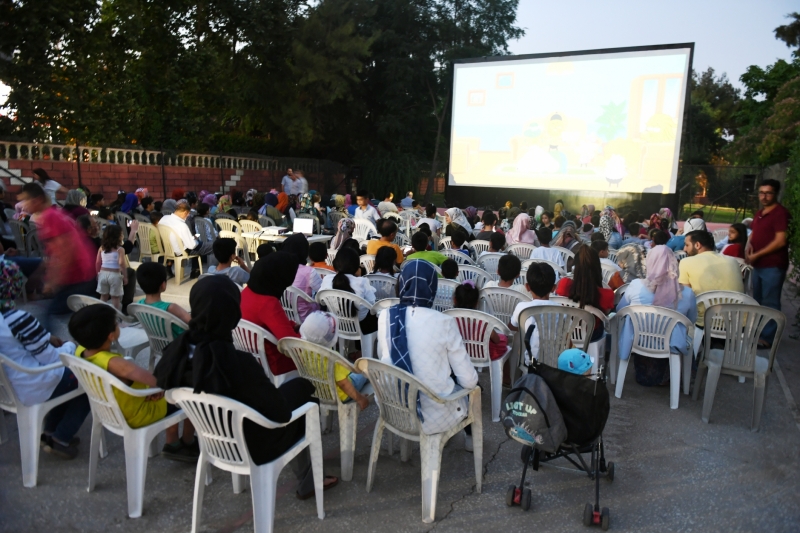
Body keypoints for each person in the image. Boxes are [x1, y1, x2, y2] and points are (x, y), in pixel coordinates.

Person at [154, 276, 339, 496]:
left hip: (214, 440)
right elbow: (279, 414)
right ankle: (311, 479)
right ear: (233, 313)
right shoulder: (237, 363)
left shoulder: (177, 353)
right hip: (253, 444)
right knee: (305, 393)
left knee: (298, 388)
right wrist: (303, 388)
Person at [69, 305, 198, 461]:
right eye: (116, 323)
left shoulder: (81, 350)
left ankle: (175, 441)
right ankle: (179, 442)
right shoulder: (115, 363)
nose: (118, 325)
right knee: (188, 392)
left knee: (166, 389)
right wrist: (157, 388)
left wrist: (155, 388)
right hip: (137, 414)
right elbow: (157, 381)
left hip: (112, 409)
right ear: (111, 335)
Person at [377, 260, 478, 446]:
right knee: (470, 388)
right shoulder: (444, 322)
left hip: (393, 408)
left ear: (402, 284)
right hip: (433, 417)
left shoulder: (385, 316)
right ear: (432, 287)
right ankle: (471, 443)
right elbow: (469, 381)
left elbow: (385, 358)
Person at [0, 260, 89, 459]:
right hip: (31, 386)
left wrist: (46, 337)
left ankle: (50, 431)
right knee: (87, 380)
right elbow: (52, 358)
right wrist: (71, 345)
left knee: (66, 380)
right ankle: (61, 437)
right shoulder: (17, 318)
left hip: (7, 390)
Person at [617, 245, 697, 386]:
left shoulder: (635, 286)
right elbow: (691, 320)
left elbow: (621, 310)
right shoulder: (687, 293)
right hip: (671, 345)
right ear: (674, 263)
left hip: (638, 341)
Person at [17, 183, 96, 319]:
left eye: (25, 200)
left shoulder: (50, 217)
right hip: (81, 273)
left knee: (50, 315)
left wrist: (52, 282)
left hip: (79, 277)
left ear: (37, 200)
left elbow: (65, 253)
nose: (23, 205)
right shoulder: (52, 214)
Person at [241, 253, 302, 376]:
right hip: (275, 363)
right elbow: (291, 344)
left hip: (250, 356)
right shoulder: (268, 303)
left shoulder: (246, 292)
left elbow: (273, 324)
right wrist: (308, 333)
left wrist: (292, 325)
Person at [746, 179, 791, 346]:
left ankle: (768, 338)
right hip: (758, 265)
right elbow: (753, 233)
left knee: (770, 302)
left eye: (768, 193)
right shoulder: (760, 213)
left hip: (773, 265)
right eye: (761, 193)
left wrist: (758, 254)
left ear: (776, 194)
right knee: (758, 300)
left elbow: (780, 241)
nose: (764, 197)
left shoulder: (780, 214)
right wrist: (749, 246)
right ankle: (758, 333)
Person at [299, 311, 370, 410]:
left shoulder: (302, 348)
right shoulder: (332, 358)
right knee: (365, 370)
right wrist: (360, 398)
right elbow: (343, 384)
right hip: (341, 395)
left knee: (351, 369)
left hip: (318, 391)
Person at [679, 230, 744, 326]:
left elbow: (687, 298)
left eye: (687, 245)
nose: (684, 249)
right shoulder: (732, 260)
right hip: (739, 324)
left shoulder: (685, 262)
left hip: (706, 323)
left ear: (697, 245)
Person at [556, 245, 614, 340]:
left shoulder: (564, 284)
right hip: (591, 335)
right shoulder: (607, 294)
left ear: (575, 268)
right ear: (598, 268)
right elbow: (606, 314)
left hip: (567, 332)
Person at [320, 248, 377, 335]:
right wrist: (359, 277)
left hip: (337, 321)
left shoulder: (327, 279)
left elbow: (322, 301)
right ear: (356, 266)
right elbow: (372, 303)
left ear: (336, 263)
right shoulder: (362, 282)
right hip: (360, 323)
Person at [509, 263, 558, 365]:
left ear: (527, 287)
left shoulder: (522, 307)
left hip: (530, 361)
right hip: (556, 362)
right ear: (553, 288)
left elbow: (511, 327)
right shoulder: (561, 309)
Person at [453, 280, 508, 360]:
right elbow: (496, 340)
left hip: (458, 351)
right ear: (476, 303)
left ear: (455, 300)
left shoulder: (450, 319)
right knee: (504, 340)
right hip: (481, 353)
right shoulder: (481, 321)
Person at [158, 202, 214, 278]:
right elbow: (192, 246)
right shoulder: (181, 225)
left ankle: (195, 270)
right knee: (215, 246)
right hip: (181, 250)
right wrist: (194, 240)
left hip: (169, 248)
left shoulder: (164, 218)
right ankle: (217, 270)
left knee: (195, 243)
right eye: (188, 214)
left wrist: (191, 239)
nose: (188, 216)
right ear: (185, 212)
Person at [135, 262, 190, 339]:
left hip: (158, 344)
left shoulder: (139, 305)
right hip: (180, 343)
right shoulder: (171, 308)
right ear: (163, 285)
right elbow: (193, 322)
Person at [281, 234, 322, 322]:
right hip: (308, 319)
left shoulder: (277, 269)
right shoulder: (309, 272)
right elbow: (322, 294)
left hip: (285, 317)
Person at [95, 225, 127, 310]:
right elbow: (122, 263)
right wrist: (125, 276)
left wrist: (98, 274)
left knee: (103, 296)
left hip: (103, 274)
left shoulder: (101, 248)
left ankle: (100, 312)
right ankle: (116, 314)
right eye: (121, 234)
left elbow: (98, 262)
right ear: (118, 237)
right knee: (115, 297)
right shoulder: (120, 249)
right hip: (115, 274)